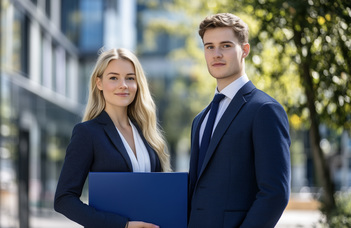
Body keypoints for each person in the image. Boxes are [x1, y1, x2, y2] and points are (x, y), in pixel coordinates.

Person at [188, 13, 291, 228]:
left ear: (244, 50)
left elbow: (275, 193)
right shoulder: (201, 119)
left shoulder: (264, 110)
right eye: (209, 46)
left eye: (225, 46)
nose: (216, 54)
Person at [54, 48, 171, 228]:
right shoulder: (87, 133)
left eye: (130, 78)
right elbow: (64, 199)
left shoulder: (147, 133)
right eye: (114, 78)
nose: (123, 85)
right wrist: (123, 225)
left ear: (138, 84)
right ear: (99, 83)